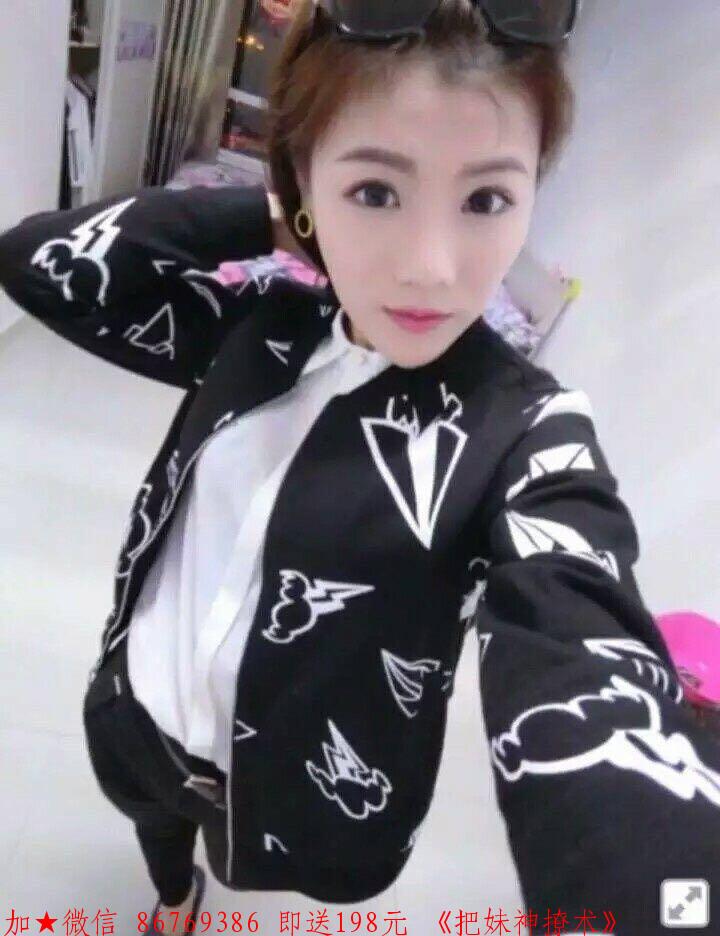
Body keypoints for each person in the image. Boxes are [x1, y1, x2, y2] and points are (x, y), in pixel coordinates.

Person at [1, 1, 718, 933]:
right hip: (139, 710)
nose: (431, 268)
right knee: (158, 831)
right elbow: (38, 262)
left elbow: (581, 642)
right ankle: (176, 898)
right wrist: (273, 220)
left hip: (300, 792)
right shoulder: (261, 322)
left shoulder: (526, 432)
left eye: (486, 200)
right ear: (304, 179)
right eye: (376, 191)